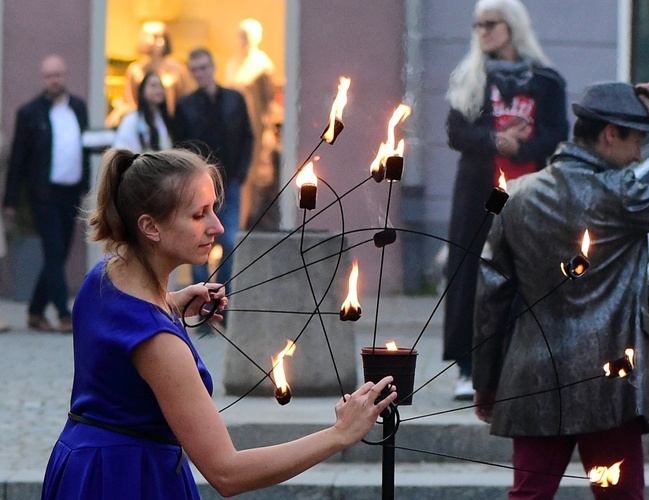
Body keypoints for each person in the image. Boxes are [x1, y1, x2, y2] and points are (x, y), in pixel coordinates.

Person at [41, 148, 398, 499]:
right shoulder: (160, 345)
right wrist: (339, 434)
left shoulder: (105, 275)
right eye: (199, 215)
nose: (217, 226)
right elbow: (227, 472)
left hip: (82, 466)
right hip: (130, 480)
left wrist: (173, 303)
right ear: (150, 226)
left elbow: (121, 335)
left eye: (214, 208)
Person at [472, 81, 649, 498]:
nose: (639, 154)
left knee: (528, 495)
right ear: (610, 134)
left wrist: (486, 381)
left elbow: (490, 298)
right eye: (637, 141)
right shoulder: (621, 194)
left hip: (534, 376)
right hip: (611, 381)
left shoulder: (514, 195)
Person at [443, 0, 569, 400]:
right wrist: (495, 140)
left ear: (512, 26)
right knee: (468, 272)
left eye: (490, 24)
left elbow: (555, 133)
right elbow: (456, 133)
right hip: (478, 193)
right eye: (477, 25)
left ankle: (524, 360)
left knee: (526, 272)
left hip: (528, 191)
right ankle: (467, 366)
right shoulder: (470, 76)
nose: (482, 32)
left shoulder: (545, 79)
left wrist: (522, 144)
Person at [3, 55, 90, 333]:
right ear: (43, 79)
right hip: (44, 194)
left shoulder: (78, 107)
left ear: (65, 76)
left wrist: (87, 188)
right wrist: (11, 201)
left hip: (71, 192)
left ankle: (35, 311)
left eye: (59, 75)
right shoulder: (30, 112)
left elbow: (84, 148)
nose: (54, 80)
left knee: (60, 254)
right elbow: (18, 159)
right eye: (49, 76)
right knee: (53, 251)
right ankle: (64, 314)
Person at [174, 48, 254, 292]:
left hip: (230, 183)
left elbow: (247, 137)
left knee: (230, 241)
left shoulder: (234, 99)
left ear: (213, 67)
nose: (201, 73)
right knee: (198, 241)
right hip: (198, 186)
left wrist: (240, 174)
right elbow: (181, 147)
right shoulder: (185, 106)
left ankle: (224, 297)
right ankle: (202, 301)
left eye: (204, 67)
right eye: (195, 69)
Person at [226, 18, 280, 231]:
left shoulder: (262, 65)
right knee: (237, 177)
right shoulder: (232, 64)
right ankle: (235, 226)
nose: (244, 39)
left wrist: (267, 130)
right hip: (234, 130)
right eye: (241, 34)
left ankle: (249, 224)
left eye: (247, 35)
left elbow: (268, 101)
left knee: (255, 177)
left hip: (256, 130)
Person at [106, 21, 191, 128]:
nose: (154, 42)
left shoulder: (179, 69)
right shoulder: (135, 69)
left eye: (159, 37)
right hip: (142, 122)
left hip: (173, 122)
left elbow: (187, 99)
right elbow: (129, 101)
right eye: (151, 37)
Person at [113, 71, 173, 152]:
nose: (159, 90)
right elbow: (121, 149)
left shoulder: (163, 119)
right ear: (142, 91)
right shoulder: (132, 120)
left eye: (161, 86)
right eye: (153, 86)